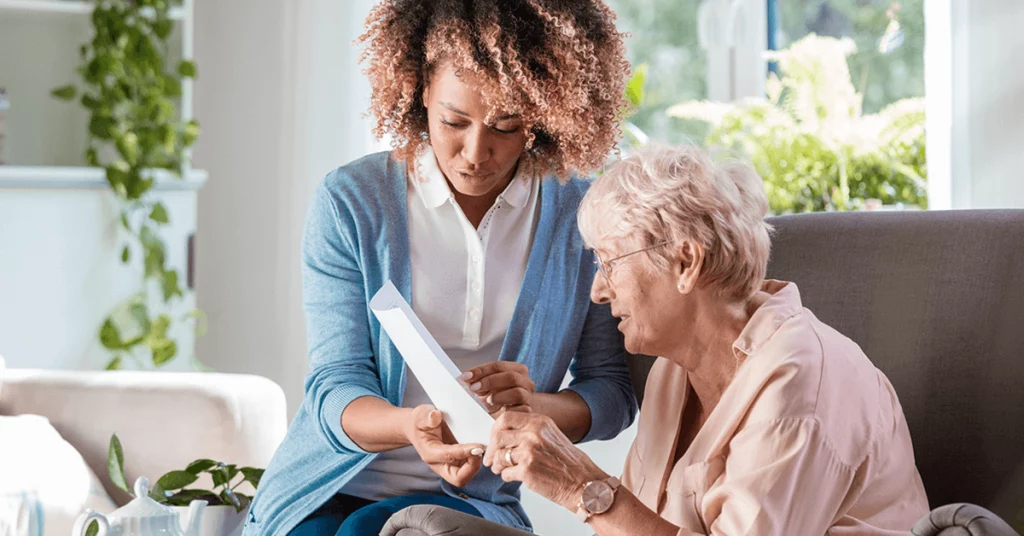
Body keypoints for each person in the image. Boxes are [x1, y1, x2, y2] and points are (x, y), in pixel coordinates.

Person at [243, 1, 638, 535]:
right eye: (454, 120)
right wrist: (412, 427)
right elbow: (335, 384)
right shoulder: (352, 203)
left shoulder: (581, 218)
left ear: (544, 115)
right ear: (421, 90)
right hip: (327, 486)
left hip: (471, 500)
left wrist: (532, 408)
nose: (477, 151)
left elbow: (611, 392)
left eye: (506, 125)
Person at [485, 144, 930, 535]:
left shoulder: (800, 383)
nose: (598, 291)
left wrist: (580, 486)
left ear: (685, 263)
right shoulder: (671, 373)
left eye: (609, 262)